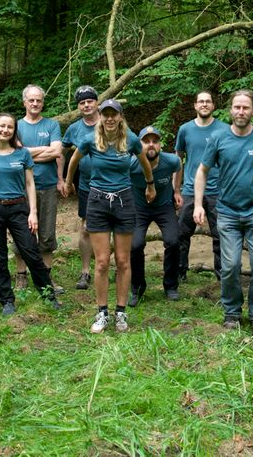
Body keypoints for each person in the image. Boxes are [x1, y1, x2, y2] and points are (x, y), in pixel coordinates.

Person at [194, 89, 253, 337]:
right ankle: (232, 312)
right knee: (230, 266)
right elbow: (202, 171)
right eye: (237, 107)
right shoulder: (219, 138)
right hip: (226, 211)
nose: (240, 112)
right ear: (230, 110)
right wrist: (197, 204)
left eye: (245, 108)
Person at [63, 99, 155, 333]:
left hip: (124, 200)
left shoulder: (131, 140)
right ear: (101, 117)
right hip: (97, 200)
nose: (110, 118)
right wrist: (68, 182)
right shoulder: (90, 140)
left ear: (121, 117)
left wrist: (150, 184)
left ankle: (121, 313)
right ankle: (102, 312)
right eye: (106, 114)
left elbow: (144, 161)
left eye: (114, 114)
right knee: (102, 261)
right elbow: (74, 159)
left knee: (123, 261)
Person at [0, 113, 60, 315]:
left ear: (14, 131)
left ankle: (48, 295)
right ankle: (7, 301)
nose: (5, 130)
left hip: (19, 208)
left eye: (10, 127)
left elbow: (30, 184)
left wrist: (33, 213)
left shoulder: (22, 155)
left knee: (31, 252)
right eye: (2, 126)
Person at [175, 91, 228, 282]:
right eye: (201, 101)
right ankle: (179, 273)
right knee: (181, 234)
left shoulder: (225, 129)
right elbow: (177, 160)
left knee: (221, 234)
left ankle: (222, 275)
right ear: (195, 105)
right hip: (190, 189)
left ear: (213, 105)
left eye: (208, 101)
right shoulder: (185, 130)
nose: (204, 104)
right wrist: (176, 190)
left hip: (218, 191)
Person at [15, 84, 63, 292]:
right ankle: (21, 275)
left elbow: (57, 152)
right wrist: (45, 149)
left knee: (46, 233)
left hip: (48, 185)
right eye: (31, 100)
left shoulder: (52, 125)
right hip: (20, 188)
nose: (35, 104)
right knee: (21, 232)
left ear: (43, 102)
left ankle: (45, 277)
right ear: (24, 102)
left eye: (39, 100)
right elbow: (16, 153)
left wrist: (29, 153)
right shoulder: (15, 126)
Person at [129, 126, 183, 306]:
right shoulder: (131, 164)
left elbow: (179, 166)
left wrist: (176, 190)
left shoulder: (170, 161)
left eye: (155, 141)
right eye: (146, 141)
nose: (151, 145)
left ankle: (171, 285)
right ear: (139, 144)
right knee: (135, 245)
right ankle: (137, 287)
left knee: (174, 241)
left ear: (160, 144)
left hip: (164, 206)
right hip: (139, 208)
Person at [61, 85, 100, 290]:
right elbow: (62, 152)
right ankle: (85, 271)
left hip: (114, 184)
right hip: (86, 185)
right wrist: (63, 179)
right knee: (86, 228)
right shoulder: (74, 128)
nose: (86, 105)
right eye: (82, 103)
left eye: (90, 101)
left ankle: (109, 266)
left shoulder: (112, 121)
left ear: (97, 102)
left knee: (112, 226)